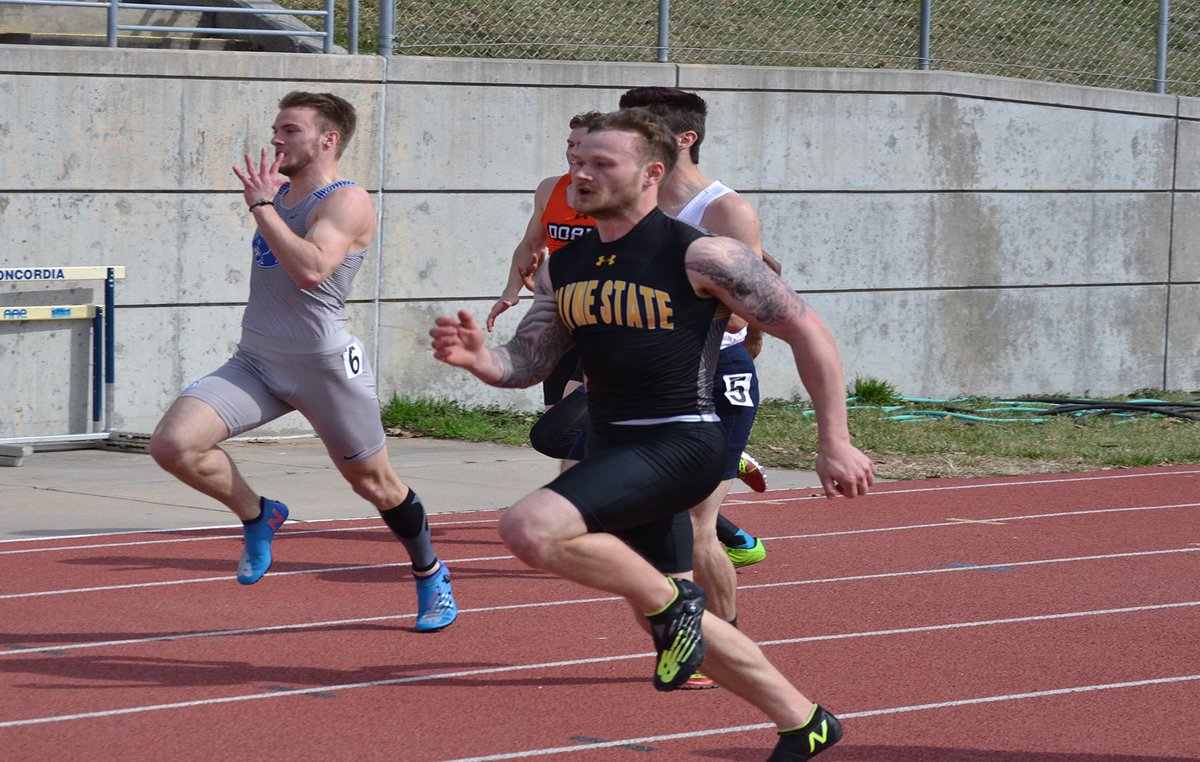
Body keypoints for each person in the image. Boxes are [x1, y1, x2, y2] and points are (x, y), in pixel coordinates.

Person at [430, 108, 875, 760]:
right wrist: (480, 360)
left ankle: (676, 601)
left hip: (682, 441)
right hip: (613, 441)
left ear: (650, 174)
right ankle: (804, 720)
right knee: (663, 622)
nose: (581, 175)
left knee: (529, 528)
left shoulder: (702, 254)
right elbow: (528, 361)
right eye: (578, 162)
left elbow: (807, 329)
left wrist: (833, 438)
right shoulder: (564, 265)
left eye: (601, 164)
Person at [149, 91, 457, 633]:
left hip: (323, 366)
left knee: (375, 484)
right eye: (276, 129)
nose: (276, 138)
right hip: (257, 359)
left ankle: (430, 571)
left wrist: (261, 207)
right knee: (173, 445)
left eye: (290, 130)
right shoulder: (280, 194)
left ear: (328, 139)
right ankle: (258, 514)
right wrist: (269, 204)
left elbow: (311, 270)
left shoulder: (346, 200)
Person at [617, 87, 773, 685]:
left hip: (713, 377)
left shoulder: (725, 211)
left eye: (641, 126)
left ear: (684, 139)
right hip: (640, 381)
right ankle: (687, 630)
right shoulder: (627, 199)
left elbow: (744, 312)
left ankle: (726, 643)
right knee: (633, 525)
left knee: (697, 526)